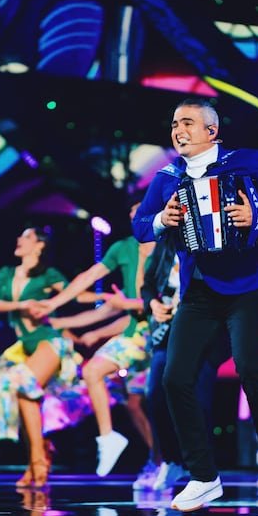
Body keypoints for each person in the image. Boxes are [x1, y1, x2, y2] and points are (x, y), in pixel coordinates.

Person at [132, 98, 258, 511]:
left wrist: (256, 215)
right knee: (174, 378)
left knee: (249, 367)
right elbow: (139, 227)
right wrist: (161, 220)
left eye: (187, 122)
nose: (178, 130)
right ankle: (204, 477)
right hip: (200, 291)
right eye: (174, 124)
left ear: (212, 131)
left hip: (249, 286)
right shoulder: (167, 178)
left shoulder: (246, 162)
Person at [30, 200, 157, 480]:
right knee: (128, 399)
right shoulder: (123, 248)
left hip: (161, 334)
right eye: (131, 213)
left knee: (163, 405)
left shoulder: (168, 248)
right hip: (138, 336)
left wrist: (122, 308)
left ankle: (168, 460)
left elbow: (153, 304)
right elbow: (91, 281)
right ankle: (140, 453)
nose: (134, 217)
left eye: (139, 212)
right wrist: (54, 308)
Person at [0, 226, 83, 488]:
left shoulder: (48, 274)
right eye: (20, 235)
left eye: (27, 236)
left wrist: (103, 295)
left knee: (23, 387)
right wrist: (23, 304)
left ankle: (38, 460)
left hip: (48, 340)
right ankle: (36, 460)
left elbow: (75, 293)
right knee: (24, 399)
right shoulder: (7, 273)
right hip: (24, 345)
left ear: (40, 245)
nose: (19, 239)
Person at [140, 231, 231, 491]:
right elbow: (148, 285)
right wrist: (153, 304)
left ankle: (203, 470)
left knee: (199, 400)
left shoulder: (214, 238)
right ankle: (172, 459)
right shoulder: (167, 243)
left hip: (205, 330)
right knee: (156, 394)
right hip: (168, 332)